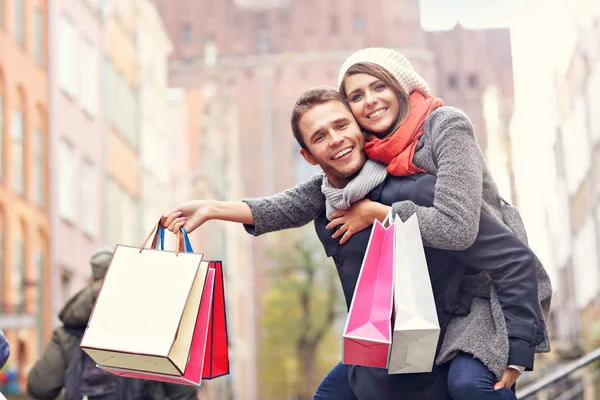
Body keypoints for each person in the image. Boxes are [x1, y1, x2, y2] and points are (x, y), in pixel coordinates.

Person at [163, 87, 542, 399]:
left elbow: (511, 258)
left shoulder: (416, 188)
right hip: (377, 352)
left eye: (342, 125)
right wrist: (211, 208)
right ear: (308, 156)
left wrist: (518, 349)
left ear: (361, 130)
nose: (337, 140)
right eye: (320, 137)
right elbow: (280, 207)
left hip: (437, 348)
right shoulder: (326, 196)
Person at [27, 246, 197, 400]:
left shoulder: (67, 334)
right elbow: (184, 394)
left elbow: (40, 387)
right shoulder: (152, 328)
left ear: (91, 279)